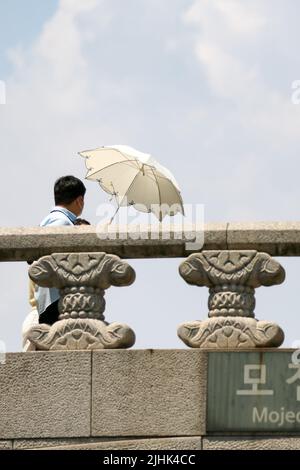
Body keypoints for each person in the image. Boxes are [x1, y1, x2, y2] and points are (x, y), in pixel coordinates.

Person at [35, 175, 86, 326]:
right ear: (79, 200)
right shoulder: (61, 221)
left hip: (51, 300)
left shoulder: (51, 219)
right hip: (57, 301)